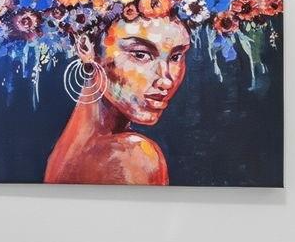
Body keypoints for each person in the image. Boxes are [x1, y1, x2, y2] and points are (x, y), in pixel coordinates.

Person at [43, 14, 189, 185]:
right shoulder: (132, 155)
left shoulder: (65, 153)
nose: (166, 80)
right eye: (141, 54)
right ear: (86, 47)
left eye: (175, 57)